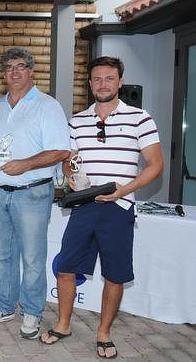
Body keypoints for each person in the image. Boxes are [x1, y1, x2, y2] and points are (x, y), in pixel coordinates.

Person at [40, 56, 163, 359]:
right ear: (90, 83)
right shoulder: (77, 121)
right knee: (65, 269)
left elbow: (155, 165)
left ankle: (104, 332)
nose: (103, 84)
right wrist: (70, 174)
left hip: (119, 207)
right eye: (97, 79)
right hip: (84, 206)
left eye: (109, 78)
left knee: (115, 274)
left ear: (120, 82)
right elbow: (70, 164)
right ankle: (64, 324)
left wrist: (125, 189)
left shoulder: (140, 118)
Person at [0, 47, 70, 339]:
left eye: (20, 67)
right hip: (0, 193)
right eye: (8, 68)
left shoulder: (48, 106)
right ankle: (5, 305)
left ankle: (31, 311)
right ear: (3, 73)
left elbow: (60, 150)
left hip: (32, 193)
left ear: (31, 71)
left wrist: (26, 164)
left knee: (32, 257)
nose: (14, 73)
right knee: (3, 254)